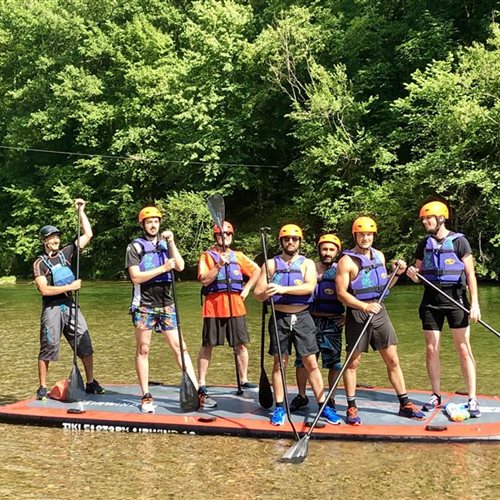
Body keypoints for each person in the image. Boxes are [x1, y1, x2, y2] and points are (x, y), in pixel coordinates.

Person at [335, 216, 424, 425]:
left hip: (379, 311)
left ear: (373, 236)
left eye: (369, 234)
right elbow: (341, 294)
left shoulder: (380, 256)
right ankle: (351, 406)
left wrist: (398, 274)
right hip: (359, 312)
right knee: (353, 362)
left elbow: (385, 287)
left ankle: (405, 403)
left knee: (392, 359)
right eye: (361, 234)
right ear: (355, 235)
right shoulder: (346, 261)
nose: (365, 238)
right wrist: (364, 306)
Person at [254, 224, 340, 426]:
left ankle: (322, 406)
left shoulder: (307, 263)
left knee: (311, 363)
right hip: (279, 319)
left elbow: (309, 288)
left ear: (300, 242)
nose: (290, 242)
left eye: (294, 239)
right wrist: (265, 292)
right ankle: (279, 407)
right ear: (281, 242)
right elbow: (257, 295)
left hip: (302, 317)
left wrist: (282, 288)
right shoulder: (271, 264)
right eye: (286, 239)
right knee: (280, 364)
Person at [406, 201, 482, 417]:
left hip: (456, 300)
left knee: (463, 347)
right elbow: (418, 275)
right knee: (431, 349)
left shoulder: (460, 242)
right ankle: (435, 394)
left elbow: (470, 275)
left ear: (441, 218)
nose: (424, 222)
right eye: (423, 219)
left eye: (428, 218)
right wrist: (413, 276)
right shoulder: (424, 244)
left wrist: (474, 303)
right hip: (431, 302)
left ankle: (472, 398)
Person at [126, 206, 198, 413]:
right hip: (144, 305)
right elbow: (136, 277)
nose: (153, 225)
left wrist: (172, 242)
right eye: (149, 222)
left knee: (180, 348)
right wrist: (163, 269)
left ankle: (194, 388)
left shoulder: (166, 245)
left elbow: (181, 266)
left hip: (167, 303)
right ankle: (146, 395)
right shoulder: (135, 247)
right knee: (143, 349)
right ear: (142, 225)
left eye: (156, 221)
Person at [33, 198, 104, 400]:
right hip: (52, 309)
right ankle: (42, 387)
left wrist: (81, 211)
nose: (55, 240)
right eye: (51, 238)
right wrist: (70, 287)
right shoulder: (39, 263)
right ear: (44, 241)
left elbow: (88, 234)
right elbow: (44, 290)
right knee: (48, 346)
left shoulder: (67, 252)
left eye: (57, 237)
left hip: (70, 305)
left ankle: (90, 382)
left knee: (85, 342)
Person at [197, 220, 260, 407]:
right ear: (216, 237)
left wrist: (247, 289)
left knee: (241, 344)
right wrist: (218, 265)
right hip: (213, 306)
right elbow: (204, 280)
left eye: (228, 234)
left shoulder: (238, 256)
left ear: (232, 236)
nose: (225, 238)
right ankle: (201, 382)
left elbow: (257, 270)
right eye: (221, 235)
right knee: (208, 344)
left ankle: (243, 379)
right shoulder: (207, 256)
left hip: (236, 305)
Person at [290, 234, 345, 420]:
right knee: (302, 360)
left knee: (334, 362)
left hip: (333, 322)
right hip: (308, 320)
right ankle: (302, 395)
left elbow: (353, 293)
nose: (327, 253)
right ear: (319, 250)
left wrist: (347, 316)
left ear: (337, 251)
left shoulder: (341, 269)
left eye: (331, 249)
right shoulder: (309, 267)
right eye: (324, 249)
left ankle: (330, 398)